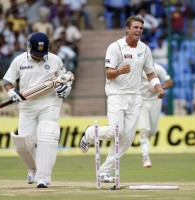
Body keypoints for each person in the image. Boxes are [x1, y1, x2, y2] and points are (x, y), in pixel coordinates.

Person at [79, 16, 164, 182]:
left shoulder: (145, 49)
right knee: (114, 132)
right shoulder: (115, 47)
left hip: (135, 97)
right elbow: (108, 72)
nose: (139, 30)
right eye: (136, 27)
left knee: (128, 139)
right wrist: (119, 71)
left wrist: (158, 87)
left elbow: (151, 73)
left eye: (141, 28)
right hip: (117, 95)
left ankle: (104, 171)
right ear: (127, 29)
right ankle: (90, 133)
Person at [2, 32, 74, 188]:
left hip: (50, 102)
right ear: (29, 47)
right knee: (23, 143)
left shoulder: (55, 60)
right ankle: (33, 168)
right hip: (27, 105)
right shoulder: (19, 60)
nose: (39, 57)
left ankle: (43, 176)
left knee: (46, 135)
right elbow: (7, 80)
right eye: (36, 53)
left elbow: (66, 78)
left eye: (42, 53)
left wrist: (66, 88)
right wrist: (12, 93)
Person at [138, 63, 173, 168]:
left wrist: (159, 88)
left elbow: (169, 82)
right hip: (141, 101)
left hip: (155, 101)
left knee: (152, 131)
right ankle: (145, 157)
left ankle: (146, 142)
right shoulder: (136, 68)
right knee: (144, 129)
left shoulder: (157, 68)